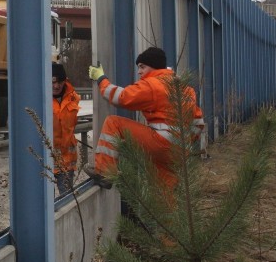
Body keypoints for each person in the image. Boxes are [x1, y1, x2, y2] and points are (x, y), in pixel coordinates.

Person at [84, 47, 204, 192]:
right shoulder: (185, 88)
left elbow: (121, 97)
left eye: (142, 67)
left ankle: (105, 172)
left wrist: (101, 79)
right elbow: (198, 121)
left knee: (113, 123)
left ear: (153, 66)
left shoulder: (152, 84)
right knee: (164, 194)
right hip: (180, 149)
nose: (139, 71)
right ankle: (166, 214)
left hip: (161, 143)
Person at [51, 63, 81, 195]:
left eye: (60, 82)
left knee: (67, 200)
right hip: (46, 160)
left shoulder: (73, 98)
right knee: (45, 204)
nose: (56, 86)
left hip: (67, 161)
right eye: (53, 82)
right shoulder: (39, 98)